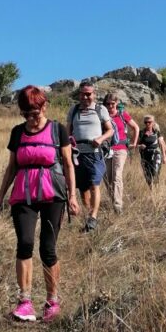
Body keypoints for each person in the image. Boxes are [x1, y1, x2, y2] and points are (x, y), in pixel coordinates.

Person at [0, 85, 79, 322]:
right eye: (26, 112)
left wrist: (72, 197)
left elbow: (68, 164)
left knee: (48, 248)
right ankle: (25, 302)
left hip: (53, 194)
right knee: (25, 243)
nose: (32, 116)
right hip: (23, 194)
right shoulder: (17, 133)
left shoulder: (58, 130)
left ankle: (52, 301)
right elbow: (11, 168)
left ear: (44, 106)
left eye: (35, 111)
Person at [66, 82, 113, 231]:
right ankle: (88, 219)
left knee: (94, 184)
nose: (85, 97)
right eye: (83, 94)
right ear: (79, 94)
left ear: (94, 94)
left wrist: (100, 139)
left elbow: (110, 130)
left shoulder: (101, 109)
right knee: (83, 188)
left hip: (95, 154)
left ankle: (93, 217)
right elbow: (67, 132)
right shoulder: (73, 110)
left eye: (89, 94)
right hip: (77, 154)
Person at [102, 92, 139, 215]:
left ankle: (118, 206)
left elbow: (136, 127)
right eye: (108, 104)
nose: (110, 106)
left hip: (121, 148)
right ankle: (114, 201)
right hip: (106, 150)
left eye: (112, 103)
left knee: (117, 175)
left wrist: (134, 142)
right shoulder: (102, 116)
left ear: (117, 103)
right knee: (107, 178)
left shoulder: (122, 115)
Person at [137, 115, 166, 187]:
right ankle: (151, 189)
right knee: (147, 174)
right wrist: (140, 146)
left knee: (155, 172)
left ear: (153, 123)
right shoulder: (141, 133)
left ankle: (156, 188)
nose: (147, 124)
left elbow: (162, 143)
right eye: (146, 122)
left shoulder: (157, 132)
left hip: (156, 154)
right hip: (145, 156)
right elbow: (135, 144)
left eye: (149, 122)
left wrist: (164, 156)